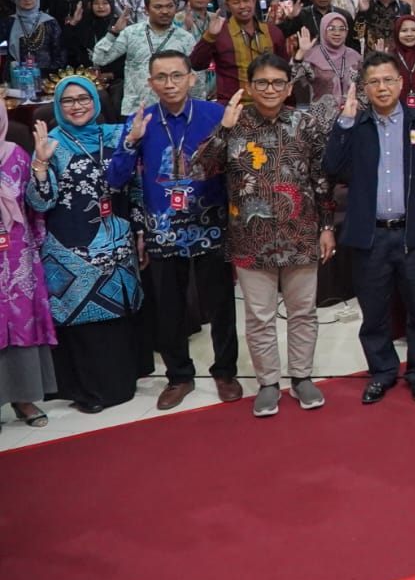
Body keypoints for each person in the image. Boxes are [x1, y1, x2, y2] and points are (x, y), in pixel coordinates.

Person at [193, 56, 339, 418]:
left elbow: (322, 180)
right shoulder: (234, 123)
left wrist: (327, 227)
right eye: (262, 83)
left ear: (289, 87)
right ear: (250, 87)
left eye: (277, 83)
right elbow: (199, 169)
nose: (270, 89)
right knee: (259, 317)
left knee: (303, 312)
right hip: (250, 238)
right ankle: (268, 383)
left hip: (301, 233)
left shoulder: (306, 123)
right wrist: (223, 130)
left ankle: (302, 376)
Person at [106, 51, 238, 410]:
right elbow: (115, 180)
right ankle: (179, 375)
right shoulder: (142, 121)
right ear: (150, 83)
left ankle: (225, 371)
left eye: (177, 75)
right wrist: (131, 142)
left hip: (211, 224)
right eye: (161, 77)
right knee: (168, 307)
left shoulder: (214, 115)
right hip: (162, 229)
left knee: (221, 303)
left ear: (192, 78)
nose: (170, 83)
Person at [323, 54, 415, 405]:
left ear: (401, 83)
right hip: (370, 236)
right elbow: (332, 166)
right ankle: (382, 371)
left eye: (388, 80)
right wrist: (345, 123)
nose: (382, 87)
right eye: (374, 82)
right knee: (374, 312)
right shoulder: (356, 126)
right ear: (364, 88)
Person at [29, 78, 142, 413]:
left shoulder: (116, 136)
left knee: (116, 319)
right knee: (82, 321)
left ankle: (122, 383)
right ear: (57, 106)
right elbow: (40, 202)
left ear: (96, 101)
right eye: (68, 101)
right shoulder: (52, 143)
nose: (76, 106)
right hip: (70, 250)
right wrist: (41, 164)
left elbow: (134, 186)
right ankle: (88, 392)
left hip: (117, 243)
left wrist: (140, 231)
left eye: (83, 98)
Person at [0, 101, 52, 429]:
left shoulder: (16, 156)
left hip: (17, 253)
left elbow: (36, 204)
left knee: (20, 322)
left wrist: (40, 167)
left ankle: (23, 398)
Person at [91, 0, 196, 115]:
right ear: (146, 10)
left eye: (169, 6)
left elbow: (195, 77)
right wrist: (113, 33)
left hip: (174, 109)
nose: (165, 11)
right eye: (158, 7)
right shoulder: (131, 33)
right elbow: (99, 59)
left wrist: (195, 108)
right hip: (135, 109)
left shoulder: (185, 38)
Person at [189, 0, 288, 103]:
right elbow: (196, 64)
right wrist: (210, 36)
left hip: (269, 103)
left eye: (246, 0)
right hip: (232, 105)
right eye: (236, 2)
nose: (242, 6)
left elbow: (284, 69)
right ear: (227, 6)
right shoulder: (219, 32)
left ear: (254, 1)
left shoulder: (273, 32)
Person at [292, 11, 362, 104]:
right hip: (320, 111)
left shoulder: (355, 57)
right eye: (331, 28)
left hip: (351, 111)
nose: (337, 33)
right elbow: (292, 82)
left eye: (342, 29)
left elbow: (363, 88)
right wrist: (301, 53)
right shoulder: (312, 57)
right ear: (323, 30)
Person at [10, 0, 66, 78]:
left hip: (47, 75)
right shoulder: (9, 22)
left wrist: (51, 74)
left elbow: (59, 51)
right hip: (18, 75)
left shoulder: (49, 22)